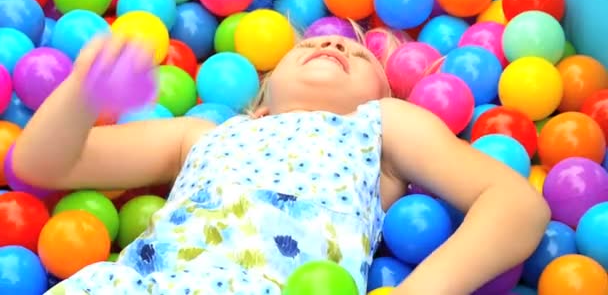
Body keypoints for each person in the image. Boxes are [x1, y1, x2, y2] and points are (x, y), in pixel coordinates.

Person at [13, 33, 550, 295]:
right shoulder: (201, 136)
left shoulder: (379, 125)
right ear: (262, 98)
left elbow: (515, 205)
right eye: (309, 44)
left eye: (360, 56)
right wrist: (83, 93)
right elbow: (47, 166)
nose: (337, 40)